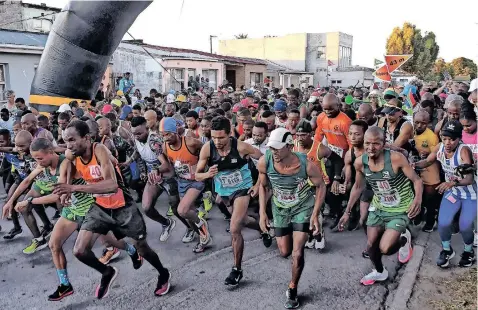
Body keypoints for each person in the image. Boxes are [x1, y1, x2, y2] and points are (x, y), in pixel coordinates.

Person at [54, 120, 171, 299]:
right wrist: (66, 187)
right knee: (79, 250)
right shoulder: (73, 154)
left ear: (86, 138)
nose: (68, 145)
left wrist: (73, 188)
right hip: (100, 206)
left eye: (72, 140)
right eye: (65, 140)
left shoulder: (99, 150)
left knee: (142, 248)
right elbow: (68, 166)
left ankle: (163, 274)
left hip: (122, 206)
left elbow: (111, 185)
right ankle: (107, 272)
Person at [339, 126, 422, 285]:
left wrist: (417, 200)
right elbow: (357, 187)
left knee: (385, 248)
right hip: (379, 208)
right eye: (367, 143)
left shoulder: (396, 159)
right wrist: (347, 212)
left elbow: (417, 180)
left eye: (376, 144)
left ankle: (404, 239)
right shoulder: (360, 163)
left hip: (400, 208)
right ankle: (379, 272)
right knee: (371, 246)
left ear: (384, 144)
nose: (371, 148)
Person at [257, 127, 326, 308]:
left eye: (278, 148)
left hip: (303, 207)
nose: (274, 152)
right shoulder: (265, 162)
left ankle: (293, 289)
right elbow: (263, 187)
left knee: (297, 252)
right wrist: (262, 213)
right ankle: (312, 232)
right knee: (284, 252)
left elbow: (321, 186)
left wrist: (315, 214)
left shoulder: (306, 164)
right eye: (271, 148)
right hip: (280, 209)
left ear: (289, 146)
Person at [195, 116, 262, 286]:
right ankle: (264, 229)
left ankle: (236, 270)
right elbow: (197, 174)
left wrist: (259, 183)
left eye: (221, 137)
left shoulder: (241, 146)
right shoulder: (207, 149)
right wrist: (207, 174)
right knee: (243, 221)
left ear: (229, 134)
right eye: (214, 137)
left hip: (242, 188)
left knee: (234, 228)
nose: (217, 141)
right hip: (224, 192)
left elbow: (264, 160)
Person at [414, 120, 476, 268]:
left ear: (459, 138)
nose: (448, 142)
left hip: (470, 194)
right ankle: (447, 250)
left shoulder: (463, 151)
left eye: (452, 139)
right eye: (445, 138)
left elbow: (468, 178)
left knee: (465, 226)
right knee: (443, 223)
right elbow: (428, 162)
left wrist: (452, 182)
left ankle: (468, 252)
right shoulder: (439, 147)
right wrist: (413, 165)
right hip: (453, 192)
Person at [159, 117, 212, 252]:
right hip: (182, 182)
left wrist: (204, 167)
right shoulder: (165, 146)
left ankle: (202, 225)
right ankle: (203, 238)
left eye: (168, 134)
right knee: (188, 214)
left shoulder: (190, 143)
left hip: (197, 180)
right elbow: (171, 166)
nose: (166, 138)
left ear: (176, 131)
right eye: (163, 135)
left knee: (182, 210)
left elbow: (208, 149)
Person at [130, 116, 180, 241]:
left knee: (177, 209)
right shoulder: (136, 138)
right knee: (146, 207)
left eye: (139, 133)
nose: (136, 136)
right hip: (154, 177)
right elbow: (138, 153)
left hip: (168, 176)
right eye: (134, 134)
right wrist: (129, 163)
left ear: (147, 128)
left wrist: (155, 170)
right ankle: (166, 223)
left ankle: (192, 228)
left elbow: (166, 165)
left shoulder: (154, 141)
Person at [341, 120, 371, 257]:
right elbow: (356, 185)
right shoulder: (351, 155)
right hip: (368, 187)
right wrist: (347, 211)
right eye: (350, 134)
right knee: (365, 220)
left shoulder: (376, 150)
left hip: (389, 187)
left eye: (357, 134)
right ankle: (372, 246)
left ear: (365, 135)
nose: (352, 137)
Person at [413, 111, 441, 232]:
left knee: (430, 200)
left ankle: (430, 223)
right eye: (417, 122)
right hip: (416, 170)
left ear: (428, 123)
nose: (419, 126)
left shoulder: (431, 137)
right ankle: (418, 216)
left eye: (423, 123)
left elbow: (436, 155)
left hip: (430, 171)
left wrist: (428, 153)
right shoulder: (411, 132)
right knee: (418, 196)